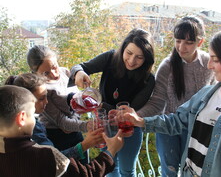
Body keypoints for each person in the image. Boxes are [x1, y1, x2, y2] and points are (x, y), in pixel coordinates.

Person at [119, 27, 221, 177]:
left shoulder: (204, 67)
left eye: (215, 60)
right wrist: (139, 120)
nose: (210, 65)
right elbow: (177, 120)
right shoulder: (207, 94)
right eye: (178, 41)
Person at [70, 28, 155, 177]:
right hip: (104, 124)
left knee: (128, 170)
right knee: (109, 167)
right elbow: (80, 67)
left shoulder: (149, 80)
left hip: (129, 129)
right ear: (123, 48)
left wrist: (101, 105)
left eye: (139, 57)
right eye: (129, 53)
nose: (131, 60)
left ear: (147, 59)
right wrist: (79, 73)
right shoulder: (110, 58)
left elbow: (130, 112)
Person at [137, 16, 215, 176]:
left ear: (200, 42)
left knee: (193, 171)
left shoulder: (209, 63)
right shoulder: (167, 65)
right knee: (169, 171)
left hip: (197, 128)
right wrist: (136, 117)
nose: (181, 47)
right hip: (168, 127)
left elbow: (213, 97)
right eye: (178, 40)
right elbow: (157, 102)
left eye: (188, 42)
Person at [0, 85, 124, 177]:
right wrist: (111, 151)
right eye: (32, 114)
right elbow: (86, 174)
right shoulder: (44, 155)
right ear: (22, 118)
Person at [5, 73, 103, 160]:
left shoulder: (30, 123)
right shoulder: (31, 131)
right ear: (25, 101)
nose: (47, 102)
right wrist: (85, 145)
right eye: (42, 98)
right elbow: (54, 161)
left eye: (46, 96)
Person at [27, 45, 90, 163]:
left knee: (85, 166)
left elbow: (76, 101)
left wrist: (75, 118)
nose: (54, 74)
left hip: (75, 128)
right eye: (45, 73)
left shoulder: (65, 72)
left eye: (54, 67)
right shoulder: (42, 90)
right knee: (68, 168)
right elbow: (61, 122)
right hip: (57, 136)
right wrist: (87, 126)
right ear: (35, 73)